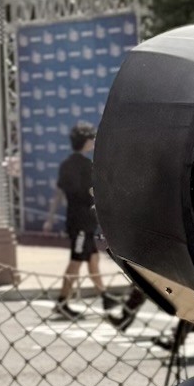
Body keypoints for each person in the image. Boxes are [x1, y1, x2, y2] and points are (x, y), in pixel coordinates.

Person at [45, 122, 113, 321]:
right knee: (75, 261)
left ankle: (105, 297)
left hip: (75, 219)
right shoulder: (86, 165)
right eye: (91, 139)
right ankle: (62, 302)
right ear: (86, 142)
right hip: (83, 221)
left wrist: (49, 218)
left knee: (93, 259)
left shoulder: (66, 164)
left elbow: (58, 194)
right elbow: (92, 191)